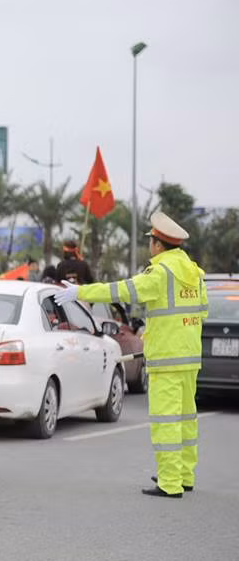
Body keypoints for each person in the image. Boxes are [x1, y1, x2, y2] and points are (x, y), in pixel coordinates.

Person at [54, 211, 207, 498]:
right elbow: (199, 313)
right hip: (189, 358)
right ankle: (184, 475)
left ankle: (169, 483)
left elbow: (121, 290)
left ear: (158, 245)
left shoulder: (161, 273)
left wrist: (80, 292)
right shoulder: (194, 274)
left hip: (166, 361)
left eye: (151, 241)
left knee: (166, 421)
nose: (150, 245)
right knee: (187, 418)